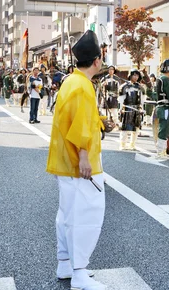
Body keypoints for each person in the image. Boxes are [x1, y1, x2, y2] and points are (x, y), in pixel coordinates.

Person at [46, 30, 106, 290]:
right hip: (79, 162)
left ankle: (65, 263)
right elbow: (80, 125)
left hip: (64, 161)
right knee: (86, 214)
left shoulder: (70, 81)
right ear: (97, 60)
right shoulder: (83, 86)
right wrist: (84, 156)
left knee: (68, 214)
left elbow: (76, 119)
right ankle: (79, 273)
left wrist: (101, 123)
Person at [118, 70, 145, 150]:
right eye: (134, 75)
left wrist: (142, 108)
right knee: (125, 128)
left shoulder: (140, 87)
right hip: (127, 108)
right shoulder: (124, 86)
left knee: (136, 129)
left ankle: (132, 144)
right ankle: (123, 145)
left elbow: (142, 100)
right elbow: (121, 99)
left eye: (137, 75)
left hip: (137, 109)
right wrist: (120, 109)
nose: (135, 77)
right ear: (130, 76)